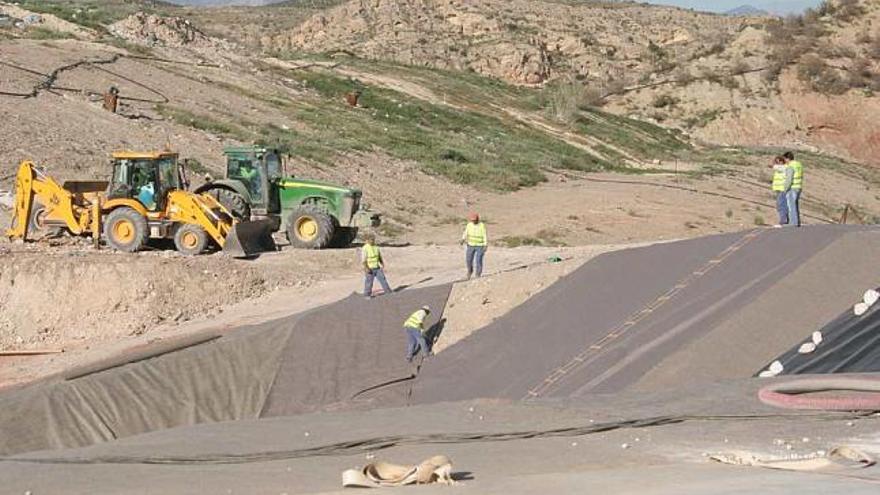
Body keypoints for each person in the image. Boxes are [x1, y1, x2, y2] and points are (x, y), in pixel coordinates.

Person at [361, 233, 392, 298]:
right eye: (370, 240)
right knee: (369, 282)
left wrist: (382, 263)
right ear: (367, 240)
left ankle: (388, 292)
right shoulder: (365, 248)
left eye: (373, 239)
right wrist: (366, 268)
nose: (372, 241)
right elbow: (363, 260)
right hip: (370, 268)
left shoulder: (376, 247)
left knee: (383, 279)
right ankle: (367, 295)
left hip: (377, 267)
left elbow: (379, 256)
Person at [460, 212, 488, 279]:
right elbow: (466, 232)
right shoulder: (469, 225)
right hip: (470, 245)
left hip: (480, 245)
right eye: (472, 220)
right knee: (468, 259)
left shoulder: (481, 225)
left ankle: (478, 274)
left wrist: (485, 244)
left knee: (478, 260)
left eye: (475, 220)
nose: (473, 221)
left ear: (477, 219)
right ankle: (470, 271)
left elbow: (484, 235)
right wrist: (463, 239)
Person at [783, 151, 803, 227]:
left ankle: (793, 223)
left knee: (791, 206)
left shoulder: (790, 166)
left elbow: (789, 179)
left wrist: (785, 189)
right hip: (798, 187)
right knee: (795, 205)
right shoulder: (799, 165)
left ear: (787, 158)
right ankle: (797, 222)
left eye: (785, 159)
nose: (785, 161)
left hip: (792, 188)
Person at [770, 155, 789, 227]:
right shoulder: (781, 168)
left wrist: (774, 164)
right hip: (779, 189)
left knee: (781, 205)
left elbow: (775, 167)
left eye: (778, 162)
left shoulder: (784, 167)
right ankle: (785, 219)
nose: (776, 163)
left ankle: (783, 220)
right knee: (782, 204)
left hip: (782, 189)